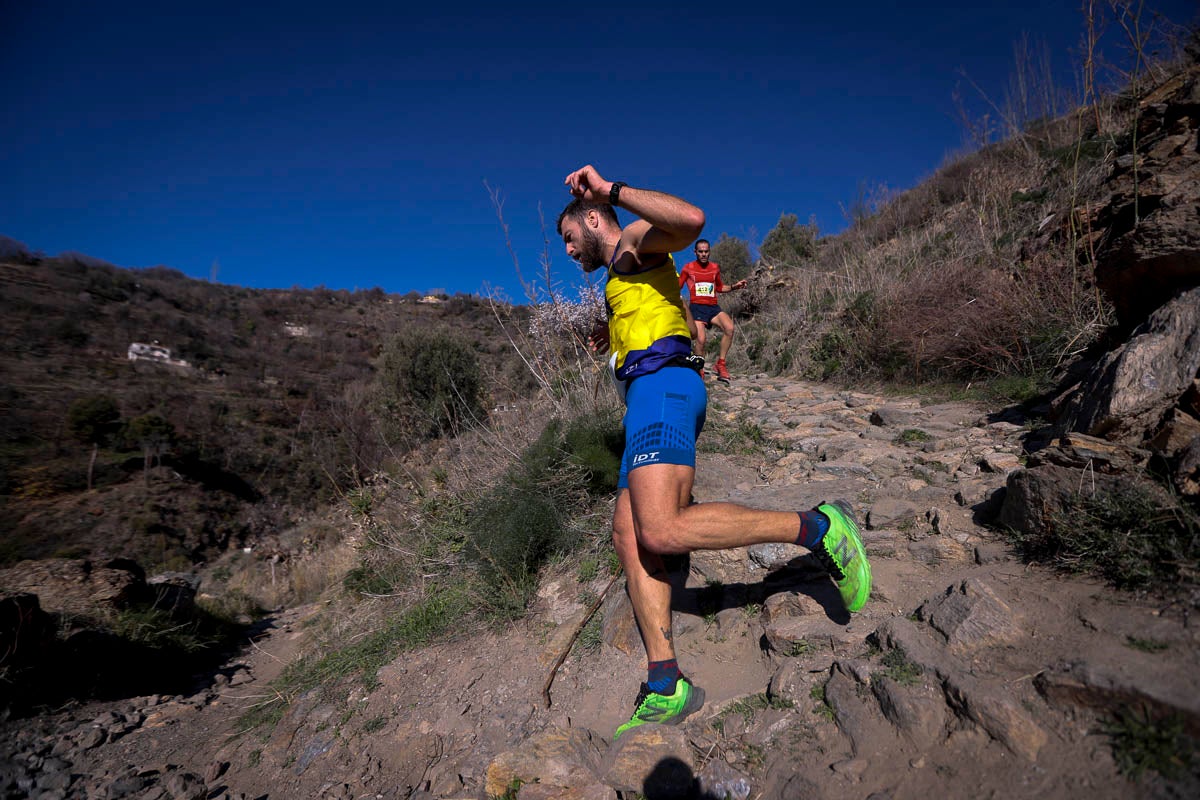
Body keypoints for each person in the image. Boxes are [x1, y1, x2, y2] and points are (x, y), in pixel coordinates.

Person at [556, 165, 871, 739]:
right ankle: (666, 683)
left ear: (594, 219)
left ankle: (818, 528)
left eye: (570, 237)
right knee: (627, 533)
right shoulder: (621, 277)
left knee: (660, 530)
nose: (569, 249)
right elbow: (652, 314)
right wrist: (614, 334)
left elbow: (692, 220)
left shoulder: (629, 241)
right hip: (646, 400)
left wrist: (613, 191)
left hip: (664, 392)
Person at [678, 239, 747, 382]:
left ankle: (720, 364)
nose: (704, 254)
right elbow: (678, 286)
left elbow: (720, 287)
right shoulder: (688, 268)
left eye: (706, 251)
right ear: (695, 252)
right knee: (701, 340)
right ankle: (699, 368)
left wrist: (735, 286)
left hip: (713, 307)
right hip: (697, 308)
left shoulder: (715, 268)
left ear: (709, 251)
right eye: (701, 251)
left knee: (729, 328)